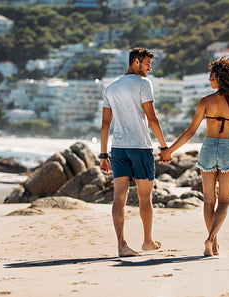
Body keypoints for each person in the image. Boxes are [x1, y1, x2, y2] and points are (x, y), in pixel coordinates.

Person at [159, 57, 229, 256]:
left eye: (212, 76)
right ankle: (211, 240)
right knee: (225, 202)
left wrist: (169, 151)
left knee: (209, 201)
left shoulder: (206, 101)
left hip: (209, 147)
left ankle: (214, 243)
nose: (209, 80)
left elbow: (190, 131)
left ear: (220, 77)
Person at [100, 47, 169, 257]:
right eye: (148, 64)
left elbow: (105, 124)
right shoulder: (143, 84)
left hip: (119, 148)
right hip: (140, 147)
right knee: (144, 197)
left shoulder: (111, 88)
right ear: (136, 62)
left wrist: (103, 155)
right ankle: (147, 241)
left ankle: (121, 245)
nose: (150, 68)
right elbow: (152, 119)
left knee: (119, 197)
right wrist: (165, 147)